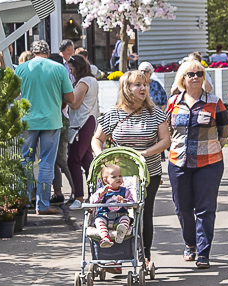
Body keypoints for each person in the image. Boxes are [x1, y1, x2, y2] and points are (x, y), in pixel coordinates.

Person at [92, 70, 169, 268]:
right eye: (138, 85)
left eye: (145, 85)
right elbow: (97, 139)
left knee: (143, 213)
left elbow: (165, 141)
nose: (143, 88)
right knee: (113, 212)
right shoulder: (113, 114)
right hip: (118, 175)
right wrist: (102, 157)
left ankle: (144, 255)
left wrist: (145, 153)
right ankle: (115, 256)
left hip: (147, 173)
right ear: (127, 89)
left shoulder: (155, 113)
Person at [166, 60, 228, 269]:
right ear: (182, 79)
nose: (195, 77)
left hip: (209, 163)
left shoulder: (214, 101)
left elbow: (225, 130)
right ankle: (190, 244)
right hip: (178, 161)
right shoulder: (173, 102)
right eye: (190, 74)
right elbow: (165, 129)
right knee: (182, 208)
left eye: (199, 74)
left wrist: (213, 147)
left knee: (205, 209)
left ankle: (203, 253)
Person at [15, 40, 74, 215]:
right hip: (51, 120)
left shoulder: (21, 69)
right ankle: (42, 205)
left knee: (26, 161)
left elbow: (10, 93)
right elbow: (70, 97)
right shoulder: (59, 69)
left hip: (27, 120)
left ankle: (23, 204)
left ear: (32, 52)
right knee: (47, 162)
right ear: (48, 53)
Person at [66, 55, 99, 211]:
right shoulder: (91, 80)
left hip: (82, 123)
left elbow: (74, 104)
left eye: (72, 68)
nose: (70, 71)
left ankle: (78, 198)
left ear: (78, 67)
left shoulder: (84, 81)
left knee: (73, 160)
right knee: (87, 161)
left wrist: (63, 94)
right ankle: (96, 194)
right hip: (87, 121)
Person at [48, 39, 76, 207]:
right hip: (58, 120)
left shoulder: (60, 79)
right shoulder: (58, 78)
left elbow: (67, 101)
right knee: (54, 160)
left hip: (61, 121)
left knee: (61, 160)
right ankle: (58, 192)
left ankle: (76, 190)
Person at [86, 163, 135, 248]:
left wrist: (124, 201)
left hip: (120, 217)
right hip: (104, 217)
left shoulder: (125, 191)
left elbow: (132, 203)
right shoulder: (102, 191)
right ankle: (105, 238)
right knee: (98, 221)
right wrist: (101, 194)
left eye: (120, 176)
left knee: (126, 219)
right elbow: (92, 201)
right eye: (114, 177)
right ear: (105, 180)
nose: (118, 178)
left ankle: (121, 233)